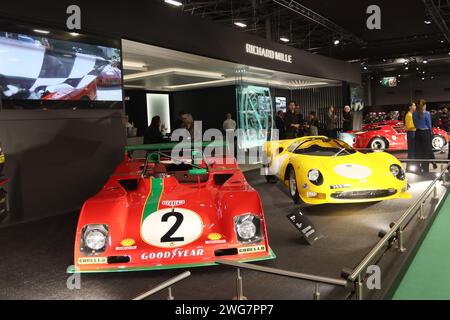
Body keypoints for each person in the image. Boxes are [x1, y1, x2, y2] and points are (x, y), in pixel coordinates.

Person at [413, 100, 433, 174]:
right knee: (426, 152)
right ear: (424, 105)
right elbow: (429, 125)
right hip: (426, 133)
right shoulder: (427, 113)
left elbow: (415, 125)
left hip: (417, 133)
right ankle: (425, 170)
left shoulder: (414, 114)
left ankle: (418, 169)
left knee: (418, 152)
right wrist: (431, 133)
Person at [405, 103, 416, 172]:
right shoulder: (409, 115)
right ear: (410, 107)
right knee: (411, 151)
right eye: (414, 105)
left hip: (413, 133)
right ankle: (410, 167)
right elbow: (408, 127)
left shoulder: (411, 115)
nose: (415, 107)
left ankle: (410, 167)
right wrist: (417, 126)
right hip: (411, 133)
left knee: (412, 151)